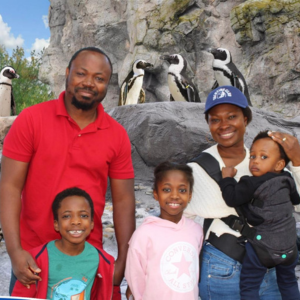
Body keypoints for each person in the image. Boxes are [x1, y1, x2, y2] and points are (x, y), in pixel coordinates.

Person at [0, 47, 135, 299]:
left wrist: (123, 261)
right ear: (67, 73)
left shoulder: (117, 135)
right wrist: (15, 251)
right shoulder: (31, 120)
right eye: (81, 74)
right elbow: (9, 186)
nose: (89, 83)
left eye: (99, 78)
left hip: (88, 261)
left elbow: (124, 200)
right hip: (32, 259)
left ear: (107, 84)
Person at [184, 85, 300, 300]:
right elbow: (178, 224)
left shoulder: (267, 160)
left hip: (272, 264)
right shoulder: (195, 170)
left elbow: (297, 205)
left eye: (232, 116)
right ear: (208, 124)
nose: (224, 125)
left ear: (246, 119)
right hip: (222, 267)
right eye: (215, 119)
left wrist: (298, 163)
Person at [219, 130, 300, 300]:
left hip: (263, 250)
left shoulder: (251, 183)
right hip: (290, 249)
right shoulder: (287, 179)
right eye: (253, 156)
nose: (255, 161)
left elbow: (231, 198)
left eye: (263, 157)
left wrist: (227, 179)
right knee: (289, 283)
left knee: (249, 286)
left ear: (279, 164)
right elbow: (296, 199)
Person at [11, 187, 115, 299]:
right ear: (56, 225)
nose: (76, 221)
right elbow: (21, 296)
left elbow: (108, 291)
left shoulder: (102, 260)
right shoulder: (36, 259)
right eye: (67, 216)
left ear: (92, 223)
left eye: (83, 215)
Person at [125, 161, 203, 300]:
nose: (174, 195)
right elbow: (135, 277)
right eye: (167, 189)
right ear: (155, 194)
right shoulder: (144, 234)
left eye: (182, 190)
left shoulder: (196, 230)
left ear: (190, 195)